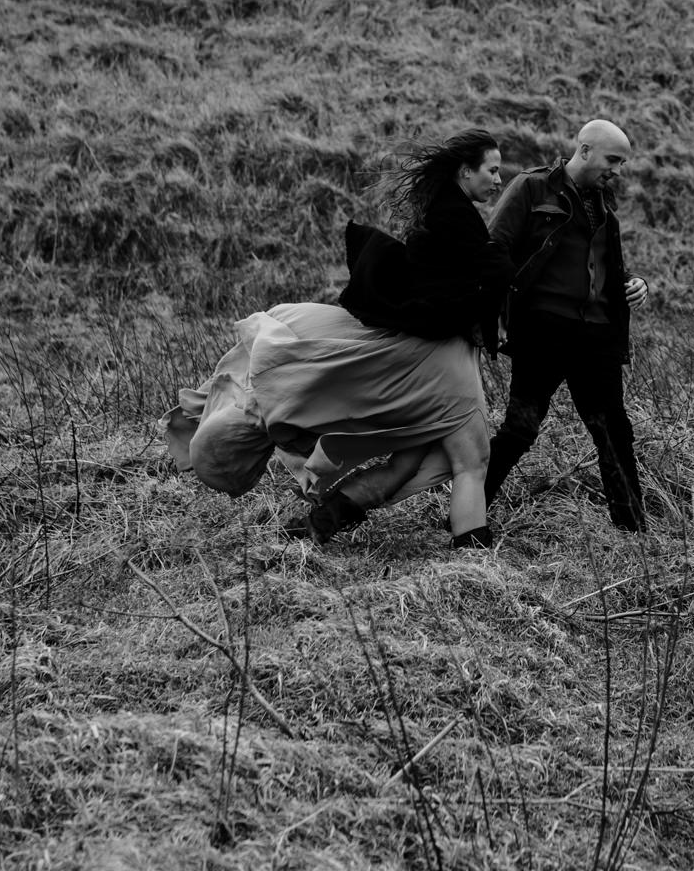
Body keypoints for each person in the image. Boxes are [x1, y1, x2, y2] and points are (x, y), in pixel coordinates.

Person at [163, 129, 511, 549]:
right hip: (442, 365)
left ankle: (329, 517)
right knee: (472, 461)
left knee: (413, 458)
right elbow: (453, 285)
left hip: (441, 358)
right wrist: (499, 269)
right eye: (492, 170)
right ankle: (474, 554)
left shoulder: (447, 212)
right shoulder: (453, 218)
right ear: (465, 170)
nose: (498, 180)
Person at [483, 118, 651, 532]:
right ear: (585, 150)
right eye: (613, 159)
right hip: (544, 330)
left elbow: (613, 266)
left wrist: (636, 283)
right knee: (520, 430)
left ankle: (633, 530)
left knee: (614, 430)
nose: (618, 170)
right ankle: (468, 511)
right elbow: (495, 248)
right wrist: (496, 315)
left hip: (598, 334)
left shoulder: (604, 204)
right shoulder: (532, 187)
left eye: (624, 163)